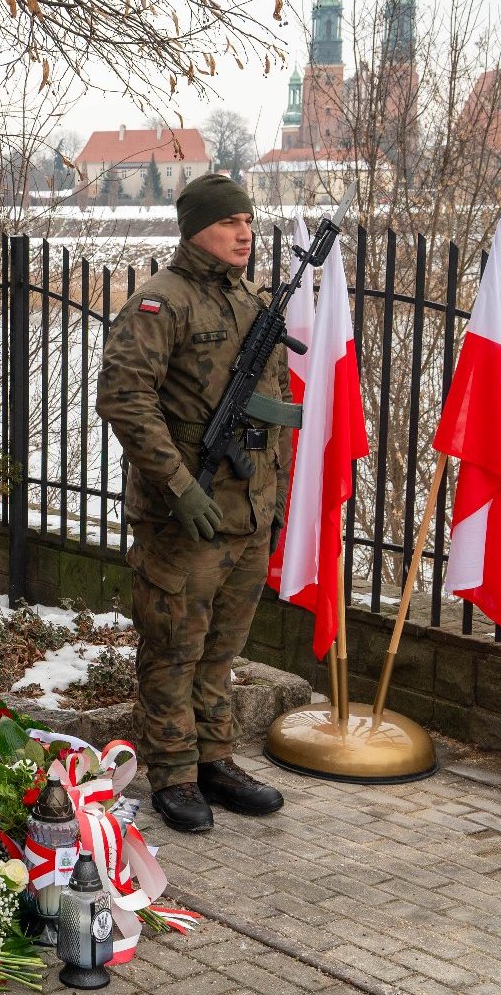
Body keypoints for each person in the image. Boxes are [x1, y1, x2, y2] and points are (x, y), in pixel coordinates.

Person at [96, 173, 295, 834]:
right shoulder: (162, 302)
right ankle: (174, 770)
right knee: (173, 643)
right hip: (185, 512)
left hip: (246, 511)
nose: (244, 231)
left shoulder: (251, 300)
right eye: (229, 220)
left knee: (220, 649)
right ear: (195, 228)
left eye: (248, 219)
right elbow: (126, 399)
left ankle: (215, 758)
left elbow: (268, 415)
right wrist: (179, 485)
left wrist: (274, 498)